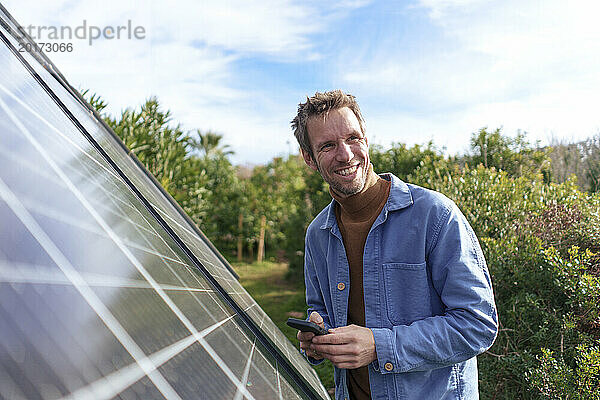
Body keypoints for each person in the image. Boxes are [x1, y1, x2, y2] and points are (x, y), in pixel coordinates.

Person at [290, 90, 498, 400]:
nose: (345, 154)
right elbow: (321, 312)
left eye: (353, 138)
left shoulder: (434, 215)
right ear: (309, 158)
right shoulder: (318, 234)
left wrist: (379, 345)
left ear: (367, 140)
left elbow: (477, 324)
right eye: (328, 146)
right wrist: (316, 339)